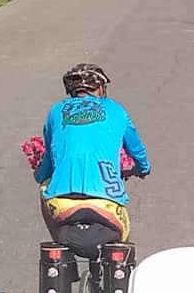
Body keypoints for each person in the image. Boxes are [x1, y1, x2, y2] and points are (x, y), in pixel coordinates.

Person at [32, 63, 151, 259]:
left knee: (44, 187)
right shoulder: (116, 110)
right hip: (107, 206)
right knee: (123, 244)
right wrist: (142, 168)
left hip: (64, 206)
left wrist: (39, 175)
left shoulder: (56, 111)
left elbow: (48, 163)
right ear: (101, 88)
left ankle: (61, 247)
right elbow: (137, 150)